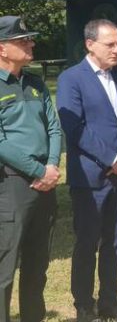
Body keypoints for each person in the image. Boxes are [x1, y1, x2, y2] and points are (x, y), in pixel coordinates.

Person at [57, 19, 117, 322]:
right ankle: (83, 305)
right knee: (87, 244)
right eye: (110, 44)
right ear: (90, 44)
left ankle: (110, 302)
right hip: (90, 179)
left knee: (114, 244)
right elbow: (74, 127)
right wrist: (111, 159)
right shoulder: (71, 79)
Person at [0, 16, 61, 322]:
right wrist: (38, 171)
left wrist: (51, 165)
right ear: (2, 49)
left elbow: (53, 128)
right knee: (5, 267)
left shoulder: (35, 82)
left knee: (38, 265)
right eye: (23, 40)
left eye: (30, 39)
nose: (31, 43)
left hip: (44, 182)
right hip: (11, 184)